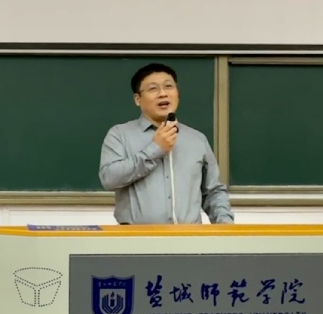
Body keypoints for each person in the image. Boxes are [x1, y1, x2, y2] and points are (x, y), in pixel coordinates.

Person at [99, 62, 233, 225]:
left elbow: (213, 192)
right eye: (153, 89)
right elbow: (109, 179)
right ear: (137, 99)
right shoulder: (120, 135)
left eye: (168, 86)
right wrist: (155, 149)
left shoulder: (197, 139)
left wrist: (226, 227)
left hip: (189, 236)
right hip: (136, 237)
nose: (163, 93)